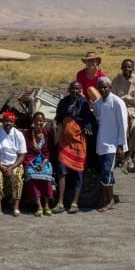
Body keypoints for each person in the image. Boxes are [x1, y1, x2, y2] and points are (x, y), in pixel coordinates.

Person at [52, 80, 96, 214]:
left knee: (78, 171)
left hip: (78, 142)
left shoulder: (83, 103)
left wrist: (87, 126)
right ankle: (60, 202)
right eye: (73, 88)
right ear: (69, 89)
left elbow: (89, 119)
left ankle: (74, 203)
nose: (75, 91)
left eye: (77, 89)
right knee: (61, 170)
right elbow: (58, 116)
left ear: (80, 90)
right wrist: (54, 122)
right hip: (65, 141)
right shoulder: (63, 102)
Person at [93, 76, 128, 213]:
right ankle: (104, 199)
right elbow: (96, 118)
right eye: (100, 87)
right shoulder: (98, 103)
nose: (103, 89)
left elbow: (122, 125)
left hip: (113, 145)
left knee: (107, 171)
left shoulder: (117, 102)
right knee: (104, 172)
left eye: (105, 87)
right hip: (101, 143)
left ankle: (110, 200)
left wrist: (121, 146)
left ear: (110, 87)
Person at [111, 58, 135, 172]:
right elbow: (113, 100)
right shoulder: (116, 81)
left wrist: (134, 114)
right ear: (121, 68)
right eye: (125, 67)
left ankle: (127, 158)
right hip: (119, 110)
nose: (127, 69)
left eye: (129, 67)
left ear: (133, 68)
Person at [0, 110, 27, 217]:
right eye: (6, 121)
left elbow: (22, 155)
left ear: (14, 122)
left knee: (17, 176)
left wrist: (11, 167)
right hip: (0, 164)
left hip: (15, 164)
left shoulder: (19, 135)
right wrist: (2, 168)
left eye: (10, 121)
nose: (8, 123)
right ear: (2, 122)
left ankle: (16, 207)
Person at [23, 111, 55, 216]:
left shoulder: (47, 135)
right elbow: (26, 152)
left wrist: (43, 164)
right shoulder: (28, 135)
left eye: (41, 121)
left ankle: (46, 205)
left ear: (44, 121)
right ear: (33, 121)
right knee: (32, 177)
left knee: (46, 176)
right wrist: (33, 165)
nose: (38, 123)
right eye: (36, 120)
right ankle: (39, 206)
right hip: (31, 162)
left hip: (44, 161)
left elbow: (48, 152)